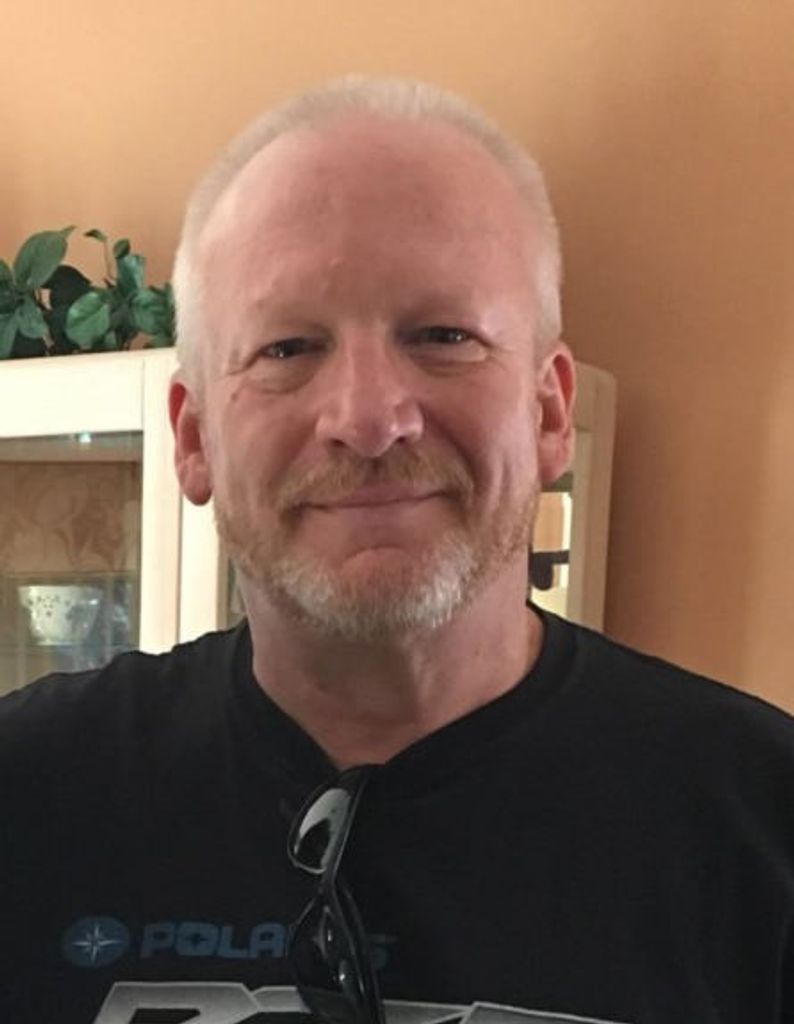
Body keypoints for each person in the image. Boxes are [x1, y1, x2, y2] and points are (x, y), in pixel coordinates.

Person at [1, 76, 792, 1024]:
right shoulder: (28, 797)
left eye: (444, 335)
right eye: (288, 348)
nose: (370, 418)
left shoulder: (763, 827)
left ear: (549, 413)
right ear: (194, 437)